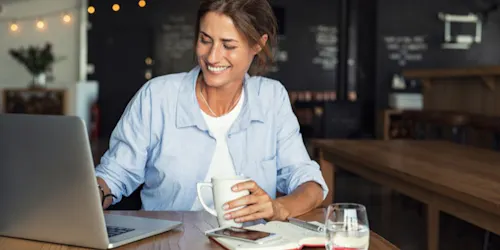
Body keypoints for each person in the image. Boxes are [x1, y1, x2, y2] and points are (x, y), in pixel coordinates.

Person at [95, 0, 328, 223]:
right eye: (205, 40)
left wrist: (279, 208)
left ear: (257, 44)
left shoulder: (271, 98)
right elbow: (115, 173)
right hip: (169, 243)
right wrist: (93, 195)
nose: (212, 56)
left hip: (250, 243)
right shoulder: (158, 96)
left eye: (228, 45)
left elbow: (310, 183)